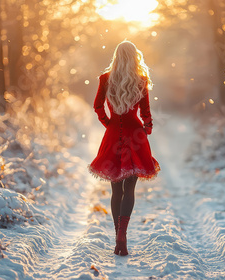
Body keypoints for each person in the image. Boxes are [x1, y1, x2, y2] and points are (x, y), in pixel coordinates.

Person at [88, 40, 160, 256]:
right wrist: (147, 128)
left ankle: (117, 235)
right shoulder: (140, 80)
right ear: (134, 56)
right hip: (135, 134)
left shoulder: (105, 79)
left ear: (116, 57)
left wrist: (107, 122)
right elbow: (146, 112)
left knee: (115, 190)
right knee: (130, 189)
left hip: (113, 135)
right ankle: (123, 235)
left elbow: (97, 105)